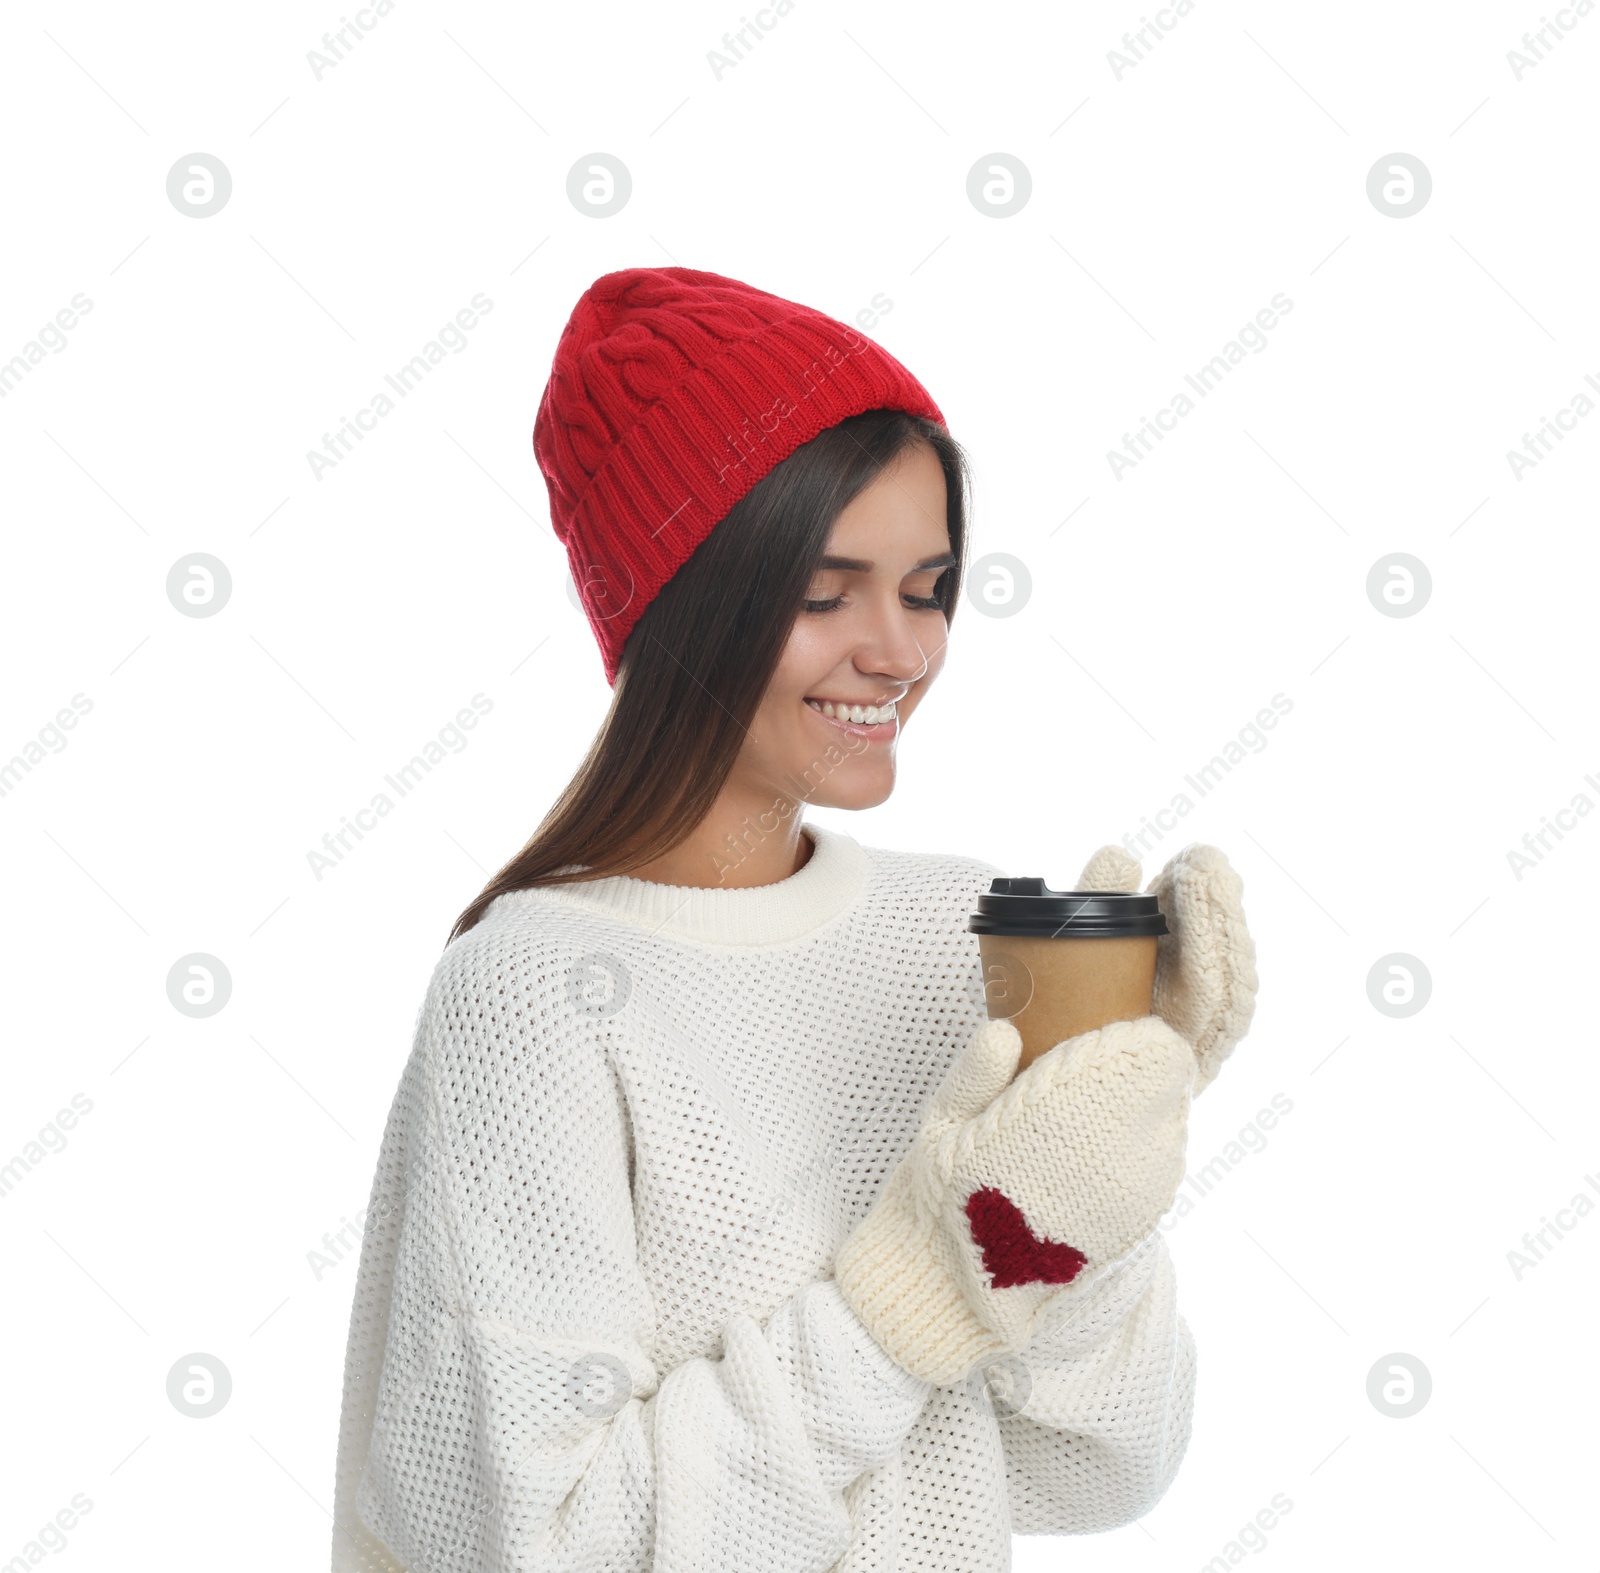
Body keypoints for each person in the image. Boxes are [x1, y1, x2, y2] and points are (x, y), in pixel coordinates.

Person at [329, 265, 1259, 1572]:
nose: (902, 651)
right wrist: (906, 1305)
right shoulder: (533, 996)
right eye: (829, 592)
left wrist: (1085, 1175)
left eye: (929, 586)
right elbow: (530, 1544)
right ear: (687, 596)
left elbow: (1102, 1463)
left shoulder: (957, 931)